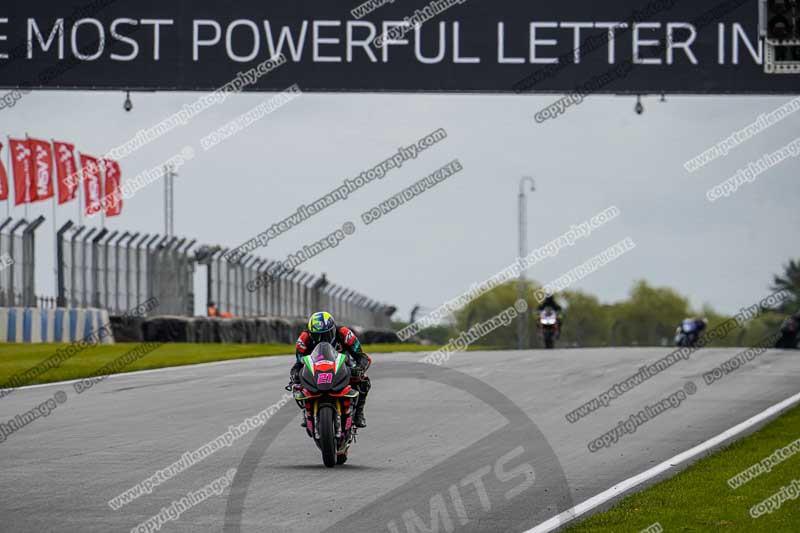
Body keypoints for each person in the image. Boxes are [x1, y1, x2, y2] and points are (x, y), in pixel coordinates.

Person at [290, 311, 372, 428]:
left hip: (343, 366)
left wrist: (359, 368)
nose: (322, 339)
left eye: (326, 335)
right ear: (310, 333)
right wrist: (295, 375)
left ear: (333, 329)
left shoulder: (345, 333)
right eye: (317, 336)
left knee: (364, 380)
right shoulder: (303, 340)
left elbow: (361, 356)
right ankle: (307, 411)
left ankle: (359, 413)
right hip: (316, 370)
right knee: (296, 382)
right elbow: (299, 363)